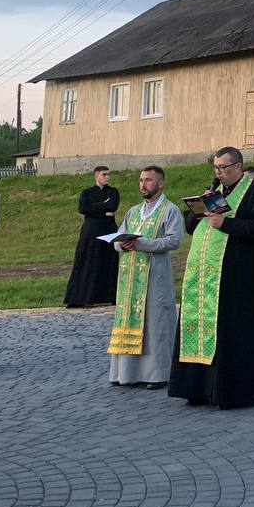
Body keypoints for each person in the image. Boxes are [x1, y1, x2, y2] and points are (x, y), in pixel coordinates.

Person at [169, 146, 254, 409]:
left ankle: (231, 391)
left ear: (238, 167)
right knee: (198, 328)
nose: (218, 172)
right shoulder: (214, 191)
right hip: (203, 278)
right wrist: (197, 208)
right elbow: (190, 226)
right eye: (215, 167)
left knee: (230, 332)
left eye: (223, 168)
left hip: (235, 278)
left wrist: (226, 224)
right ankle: (198, 388)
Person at [108, 166, 184, 389]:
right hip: (130, 279)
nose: (143, 184)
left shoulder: (170, 210)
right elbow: (117, 239)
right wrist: (122, 244)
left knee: (155, 323)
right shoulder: (133, 211)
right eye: (141, 180)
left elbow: (174, 240)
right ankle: (126, 373)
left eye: (148, 180)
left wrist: (142, 243)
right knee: (128, 321)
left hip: (154, 277)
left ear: (160, 183)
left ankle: (157, 374)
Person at [64, 166, 121, 307]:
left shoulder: (113, 192)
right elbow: (83, 208)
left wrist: (94, 208)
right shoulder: (87, 193)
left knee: (109, 261)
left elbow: (113, 206)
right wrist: (104, 211)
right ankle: (81, 298)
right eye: (104, 174)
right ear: (97, 176)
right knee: (87, 260)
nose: (107, 177)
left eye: (108, 174)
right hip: (91, 231)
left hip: (108, 229)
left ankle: (109, 296)